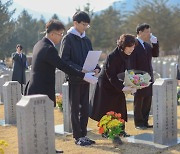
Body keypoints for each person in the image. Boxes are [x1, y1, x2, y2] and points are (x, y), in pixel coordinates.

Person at [26, 19, 97, 153]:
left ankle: (48, 148)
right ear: (53, 34)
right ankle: (45, 148)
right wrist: (84, 75)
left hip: (36, 88)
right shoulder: (48, 49)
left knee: (43, 123)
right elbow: (64, 66)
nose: (61, 37)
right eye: (60, 34)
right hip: (41, 90)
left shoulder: (39, 44)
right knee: (43, 123)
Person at [60, 11, 100, 146]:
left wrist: (97, 68)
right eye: (83, 24)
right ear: (75, 23)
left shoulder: (86, 39)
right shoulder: (68, 38)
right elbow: (64, 61)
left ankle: (84, 134)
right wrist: (80, 70)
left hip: (87, 79)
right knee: (75, 108)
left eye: (87, 25)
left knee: (84, 109)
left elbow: (93, 57)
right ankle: (77, 136)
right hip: (75, 79)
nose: (85, 27)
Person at [90, 34, 137, 137]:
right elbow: (111, 75)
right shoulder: (113, 56)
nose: (132, 49)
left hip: (117, 83)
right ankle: (105, 131)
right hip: (106, 85)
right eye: (130, 46)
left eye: (133, 46)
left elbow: (128, 71)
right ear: (123, 46)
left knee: (120, 106)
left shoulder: (127, 55)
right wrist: (123, 88)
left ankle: (120, 130)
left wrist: (133, 84)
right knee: (106, 108)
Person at [130, 23, 159, 130]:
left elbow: (155, 54)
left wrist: (155, 43)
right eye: (147, 32)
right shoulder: (133, 44)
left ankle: (145, 121)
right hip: (138, 76)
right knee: (139, 100)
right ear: (140, 32)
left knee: (147, 99)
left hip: (149, 76)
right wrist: (133, 78)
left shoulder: (147, 45)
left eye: (149, 32)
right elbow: (131, 62)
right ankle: (138, 123)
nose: (149, 34)